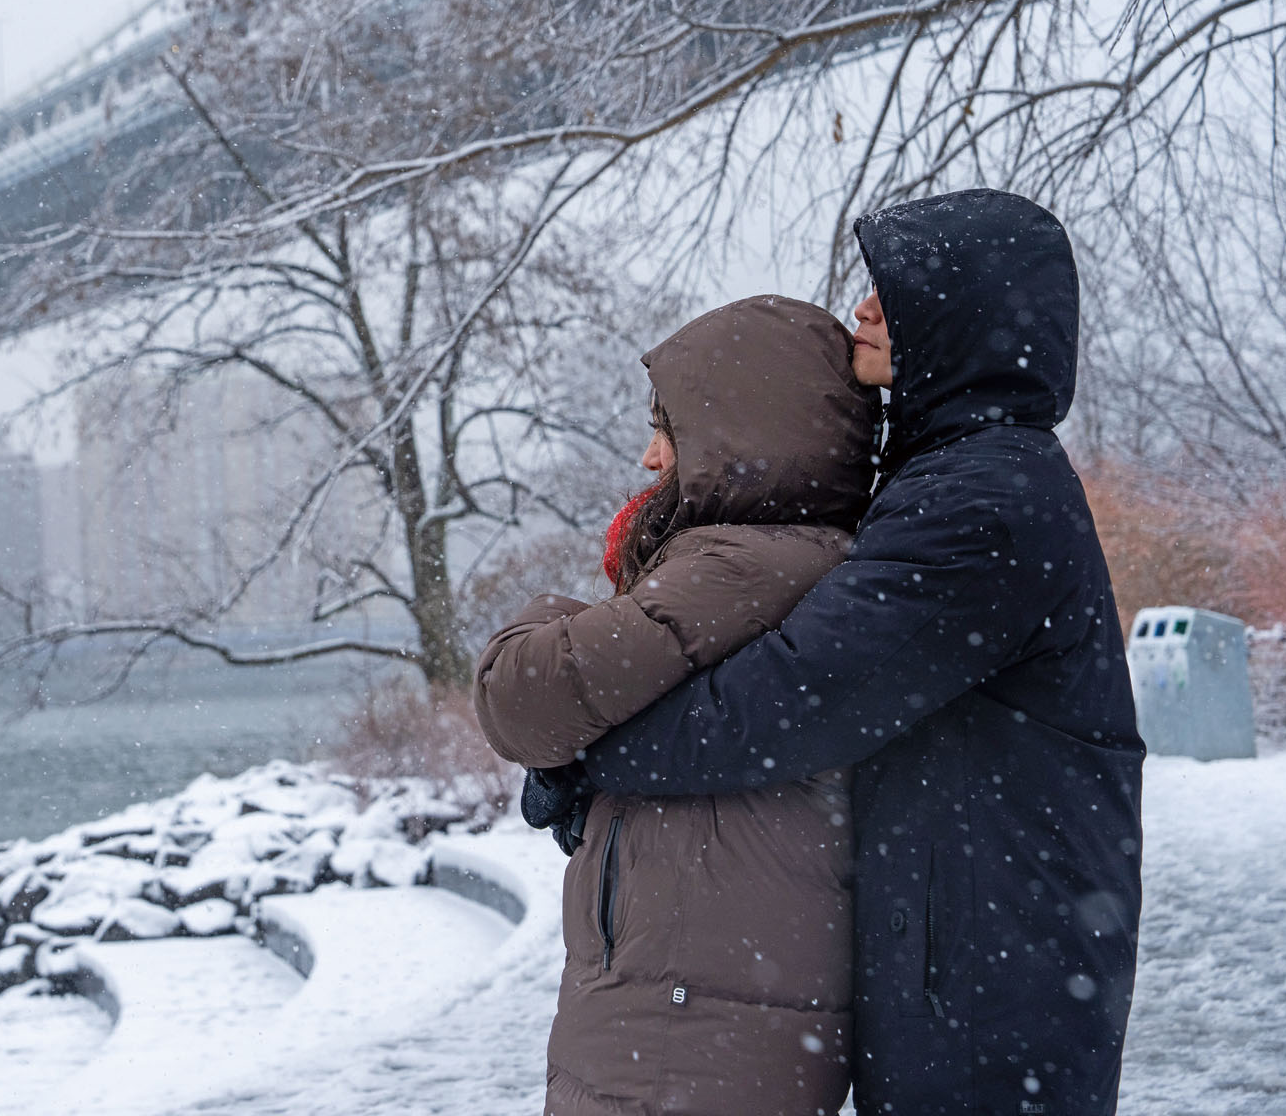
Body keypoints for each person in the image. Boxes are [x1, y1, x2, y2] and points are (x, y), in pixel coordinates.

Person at [582, 189, 1144, 1115]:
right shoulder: (959, 474)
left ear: (968, 314)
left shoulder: (981, 501)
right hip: (981, 953)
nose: (865, 307)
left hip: (990, 981)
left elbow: (792, 700)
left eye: (898, 289)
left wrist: (590, 752)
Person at [474, 294, 882, 1116]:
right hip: (693, 1010)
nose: (650, 456)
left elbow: (518, 699)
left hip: (684, 1030)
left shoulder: (741, 569)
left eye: (669, 429)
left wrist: (550, 615)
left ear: (743, 436)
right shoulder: (782, 559)